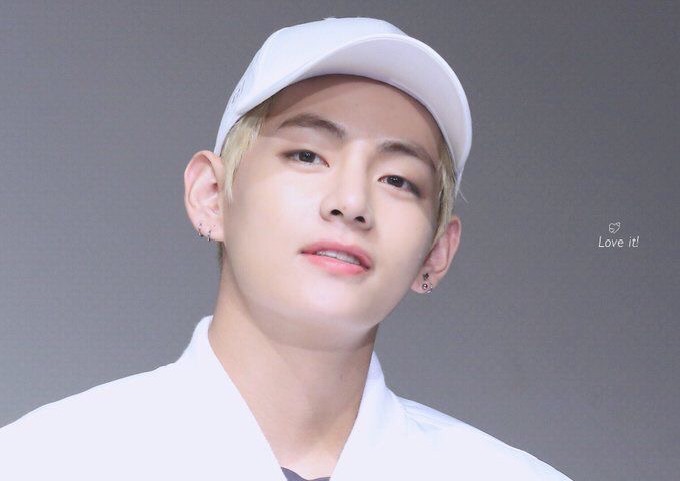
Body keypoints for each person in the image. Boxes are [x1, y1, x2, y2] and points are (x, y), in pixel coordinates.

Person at [0, 17, 571, 481]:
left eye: (398, 180)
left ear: (436, 254)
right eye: (307, 156)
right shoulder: (44, 462)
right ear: (211, 195)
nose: (351, 202)